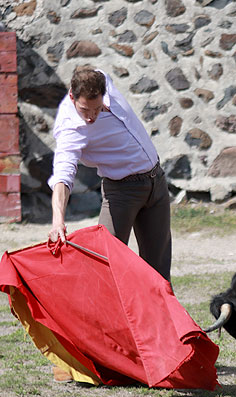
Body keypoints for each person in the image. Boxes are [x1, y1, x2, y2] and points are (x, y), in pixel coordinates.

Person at [48, 66, 172, 281]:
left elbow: (93, 73)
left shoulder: (103, 79)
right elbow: (62, 176)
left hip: (157, 182)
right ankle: (97, 314)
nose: (91, 117)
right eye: (85, 109)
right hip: (122, 193)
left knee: (158, 270)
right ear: (72, 96)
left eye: (96, 109)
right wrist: (58, 221)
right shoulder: (71, 128)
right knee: (104, 264)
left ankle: (161, 315)